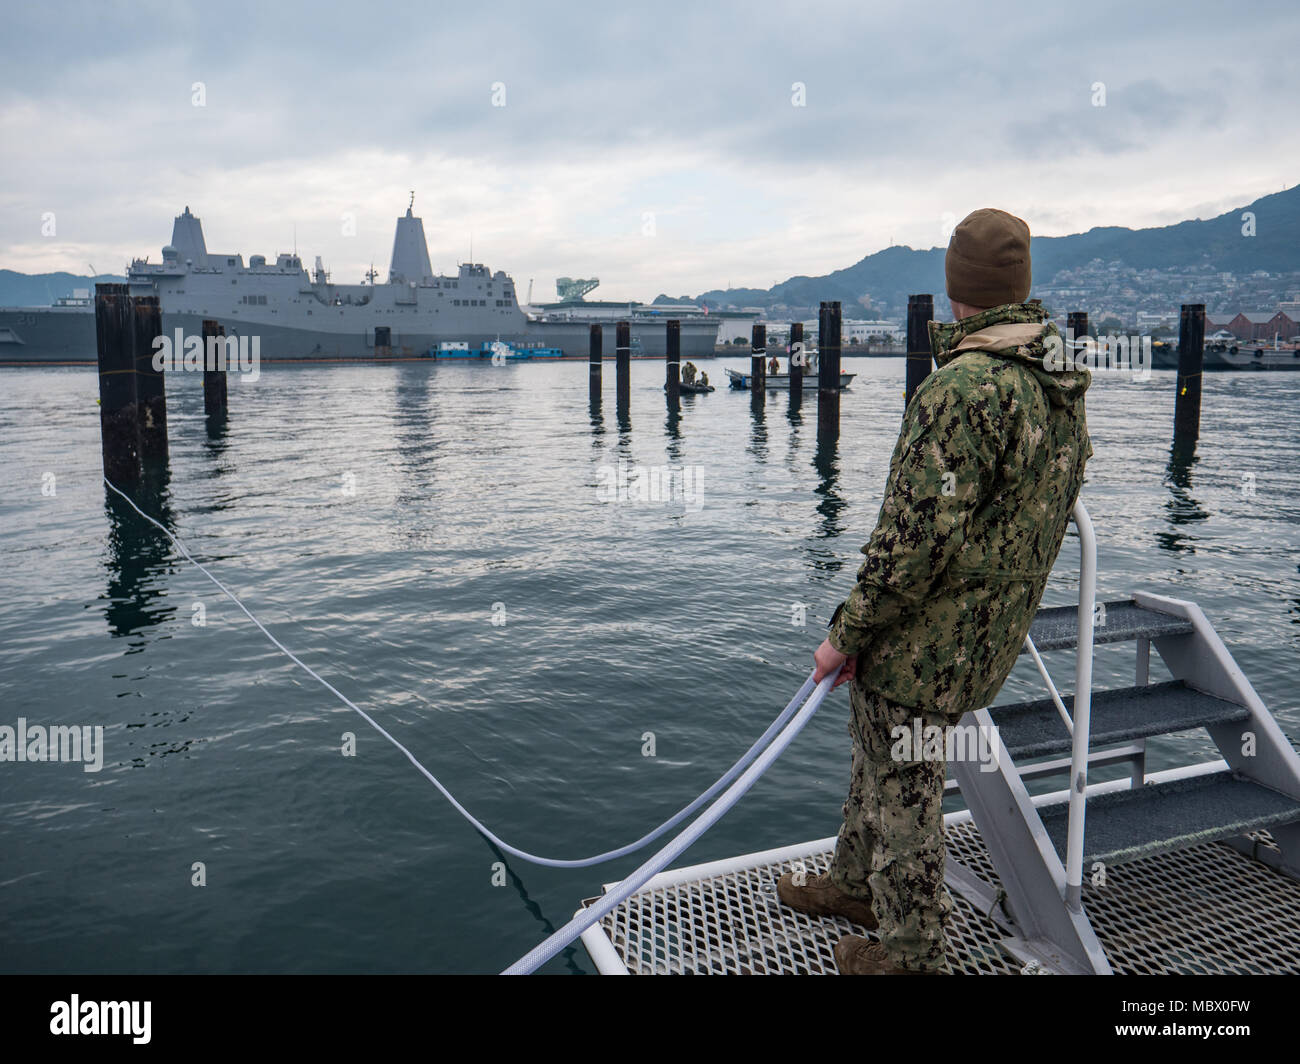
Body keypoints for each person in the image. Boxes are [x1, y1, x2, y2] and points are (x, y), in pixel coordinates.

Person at [776, 208, 1092, 975]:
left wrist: (843, 636)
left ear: (957, 293)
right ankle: (854, 887)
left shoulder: (961, 391)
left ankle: (912, 955)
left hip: (925, 645)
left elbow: (908, 547)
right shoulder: (1058, 387)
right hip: (986, 639)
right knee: (881, 757)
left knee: (906, 787)